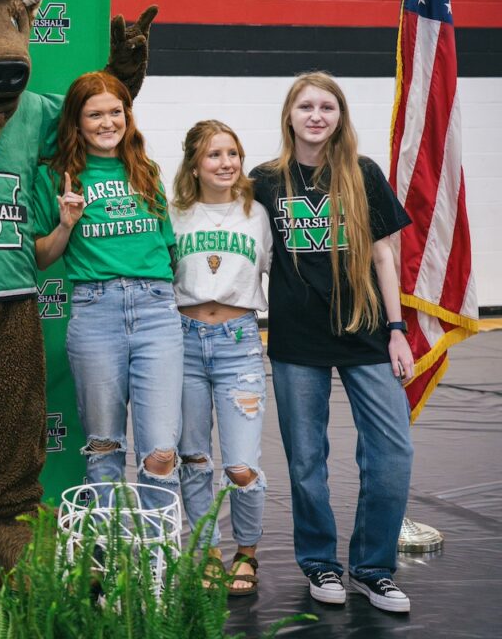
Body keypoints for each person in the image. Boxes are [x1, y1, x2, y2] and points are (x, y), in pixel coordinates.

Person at [251, 72, 415, 613]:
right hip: (297, 339)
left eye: (327, 106)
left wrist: (397, 331)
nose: (316, 115)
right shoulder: (265, 180)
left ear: (340, 116)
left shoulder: (363, 174)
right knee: (306, 460)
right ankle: (320, 562)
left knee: (392, 453)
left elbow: (385, 256)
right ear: (289, 115)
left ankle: (373, 569)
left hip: (366, 332)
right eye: (306, 106)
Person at [33, 70, 181, 508]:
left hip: (156, 311)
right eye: (94, 114)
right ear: (76, 122)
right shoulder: (58, 176)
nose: (107, 122)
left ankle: (159, 565)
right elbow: (42, 257)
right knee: (104, 447)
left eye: (115, 112)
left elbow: (167, 248)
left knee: (160, 452)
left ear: (127, 116)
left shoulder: (144, 170)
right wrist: (66, 224)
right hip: (96, 312)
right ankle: (107, 562)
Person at [170, 121, 272, 596]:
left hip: (239, 344)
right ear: (194, 162)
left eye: (233, 153)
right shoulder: (173, 214)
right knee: (193, 458)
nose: (226, 163)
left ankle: (246, 552)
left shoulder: (257, 214)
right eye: (214, 155)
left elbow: (279, 272)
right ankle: (208, 550)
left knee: (240, 466)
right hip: (184, 341)